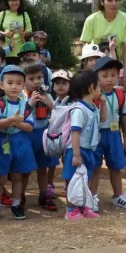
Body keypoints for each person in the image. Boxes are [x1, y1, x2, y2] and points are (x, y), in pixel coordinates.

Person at [0, 64, 36, 222]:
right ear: (1, 85)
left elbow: (29, 127)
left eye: (18, 83)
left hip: (20, 142)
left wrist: (13, 123)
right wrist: (12, 120)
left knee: (18, 176)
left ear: (23, 85)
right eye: (9, 83)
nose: (14, 86)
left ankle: (16, 204)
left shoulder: (25, 105)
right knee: (0, 178)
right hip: (2, 141)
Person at [92, 56, 126, 209]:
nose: (109, 79)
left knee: (116, 167)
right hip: (95, 135)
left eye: (113, 75)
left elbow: (124, 116)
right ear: (96, 77)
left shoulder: (120, 95)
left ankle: (118, 196)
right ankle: (92, 197)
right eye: (104, 76)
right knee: (95, 167)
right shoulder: (92, 95)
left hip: (114, 134)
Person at [62, 70, 101, 221]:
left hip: (88, 150)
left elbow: (102, 119)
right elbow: (75, 133)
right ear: (92, 87)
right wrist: (77, 155)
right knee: (73, 179)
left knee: (85, 179)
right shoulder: (79, 109)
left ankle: (83, 206)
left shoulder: (93, 107)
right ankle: (71, 209)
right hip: (76, 150)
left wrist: (103, 104)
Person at [20, 63, 55, 211]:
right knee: (25, 169)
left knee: (43, 168)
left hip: (44, 133)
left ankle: (43, 195)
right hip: (28, 135)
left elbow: (57, 113)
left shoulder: (46, 94)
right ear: (23, 81)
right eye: (32, 78)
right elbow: (21, 116)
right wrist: (30, 103)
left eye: (39, 77)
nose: (36, 82)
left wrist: (48, 102)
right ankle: (19, 196)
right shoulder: (21, 96)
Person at [79, 0, 126, 79]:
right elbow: (86, 47)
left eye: (116, 0)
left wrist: (125, 75)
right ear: (102, 2)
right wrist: (86, 74)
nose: (114, 3)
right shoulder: (91, 20)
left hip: (115, 68)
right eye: (109, 0)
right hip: (95, 69)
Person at [47, 69, 72, 198]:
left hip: (69, 139)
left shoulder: (74, 102)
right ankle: (49, 184)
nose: (60, 85)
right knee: (52, 162)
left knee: (68, 162)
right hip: (55, 138)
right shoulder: (53, 101)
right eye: (57, 83)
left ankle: (68, 185)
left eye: (64, 82)